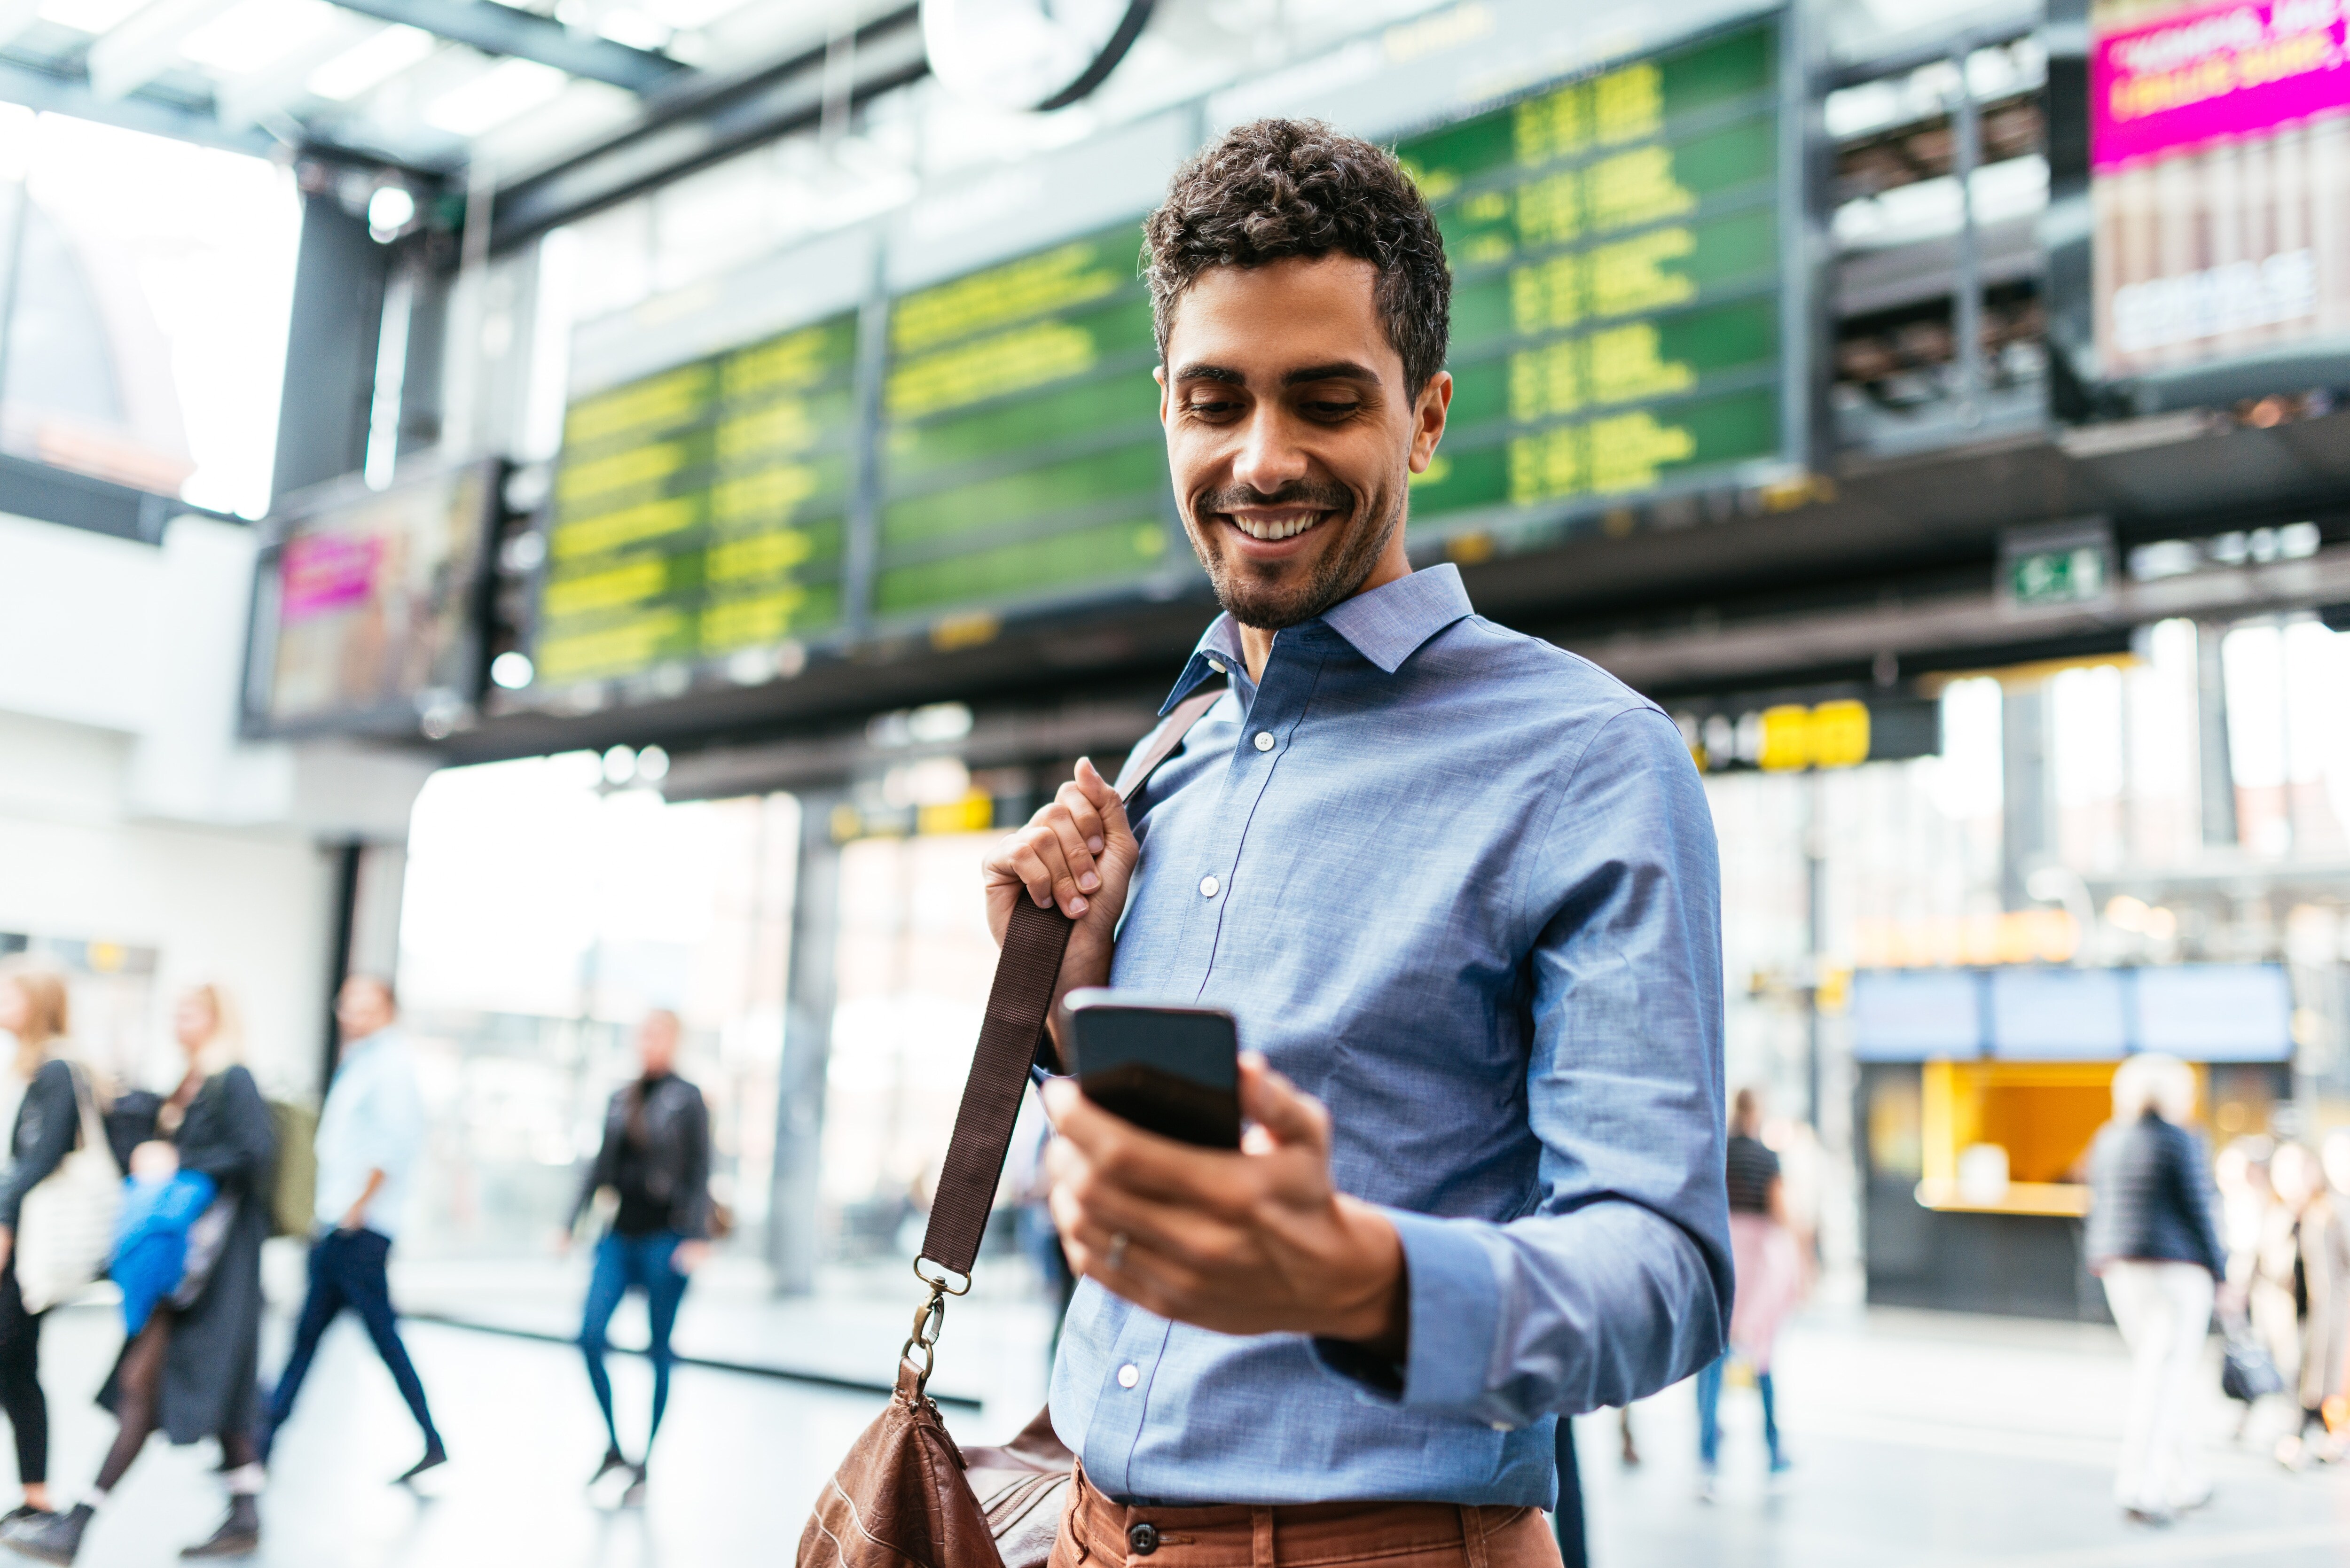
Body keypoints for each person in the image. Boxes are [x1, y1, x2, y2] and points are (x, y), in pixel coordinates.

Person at [982, 120, 1729, 1565]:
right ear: (1167, 410)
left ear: (1425, 415)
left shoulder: (1587, 757)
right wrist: (1060, 1006)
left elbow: (1665, 1269)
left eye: (1323, 399)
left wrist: (1357, 1275)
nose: (1260, 458)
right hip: (1080, 1522)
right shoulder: (1169, 758)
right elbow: (1182, 1186)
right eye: (1215, 401)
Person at [4, 982, 275, 1562]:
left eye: (193, 1010)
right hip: (178, 1267)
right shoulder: (190, 1081)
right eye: (177, 1010)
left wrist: (182, 1161)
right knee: (200, 1394)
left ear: (219, 1016)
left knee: (141, 1389)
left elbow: (256, 1153)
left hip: (210, 1270)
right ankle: (246, 1512)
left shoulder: (234, 1080)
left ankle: (77, 1524)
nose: (182, 1021)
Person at [258, 975, 443, 1483]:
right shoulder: (362, 1061)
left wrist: (355, 1211)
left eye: (364, 1006)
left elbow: (393, 1146)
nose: (350, 1013)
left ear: (388, 1010)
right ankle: (263, 1440)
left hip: (358, 1231)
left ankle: (432, 1439)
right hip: (340, 1224)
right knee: (308, 1336)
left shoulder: (391, 1066)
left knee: (375, 1338)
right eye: (347, 1004)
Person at [564, 1010, 710, 1506]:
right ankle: (613, 1444)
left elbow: (700, 1169)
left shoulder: (688, 1099)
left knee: (658, 1348)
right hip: (620, 1235)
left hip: (667, 1236)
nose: (648, 1043)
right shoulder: (620, 1098)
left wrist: (697, 1236)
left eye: (658, 1034)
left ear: (675, 1040)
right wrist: (569, 1222)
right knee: (588, 1333)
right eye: (643, 1033)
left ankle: (644, 1459)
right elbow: (597, 1168)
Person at [2084, 1053, 2225, 1525]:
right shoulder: (2177, 1139)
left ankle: (2186, 1476)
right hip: (2176, 1273)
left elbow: (2097, 1204)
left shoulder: (2108, 1138)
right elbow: (2199, 1209)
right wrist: (2221, 1273)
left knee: (2160, 1375)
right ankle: (2140, 1486)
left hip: (2123, 1271)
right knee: (2163, 1378)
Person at [0, 962, 88, 1528]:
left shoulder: (57, 1068)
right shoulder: (35, 1069)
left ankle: (39, 1498)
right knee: (17, 1370)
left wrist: (4, 1221)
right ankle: (37, 1498)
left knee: (13, 1363)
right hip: (24, 1246)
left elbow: (41, 1159)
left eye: (11, 993)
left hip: (32, 1251)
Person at [1694, 1088, 1804, 1498]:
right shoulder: (1766, 1156)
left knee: (1712, 1365)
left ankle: (1706, 1461)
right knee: (1763, 1360)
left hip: (1723, 1260)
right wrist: (1803, 1263)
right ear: (1756, 1113)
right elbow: (1780, 1211)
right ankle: (1774, 1453)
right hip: (1756, 1265)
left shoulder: (1719, 1154)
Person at [2267, 1141, 2348, 1468]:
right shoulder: (2278, 1215)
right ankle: (2307, 1436)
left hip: (2327, 1316)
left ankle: (2308, 1436)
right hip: (2289, 1315)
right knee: (2296, 1375)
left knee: (2321, 1378)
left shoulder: (2332, 1211)